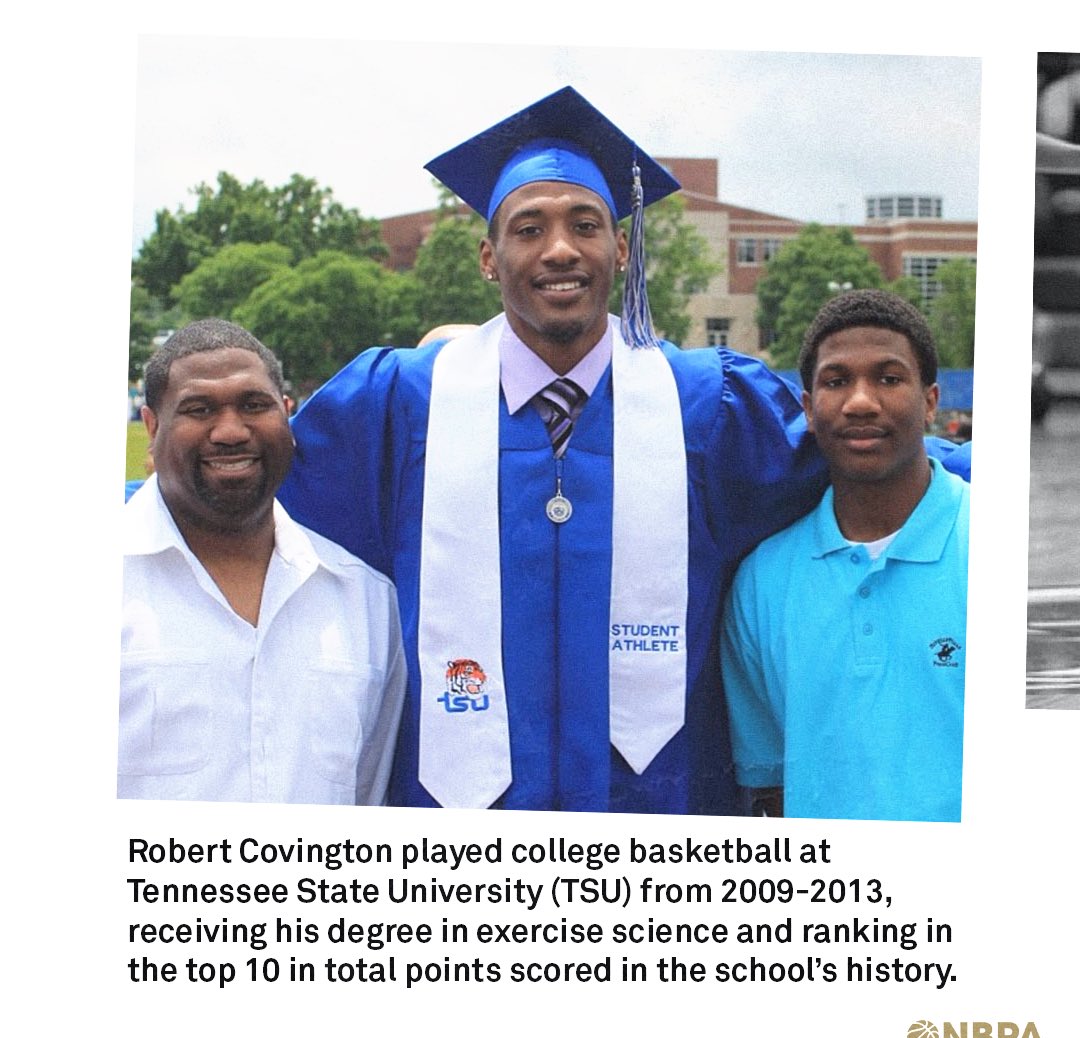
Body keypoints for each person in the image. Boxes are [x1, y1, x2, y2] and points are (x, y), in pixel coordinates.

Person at [279, 87, 965, 814]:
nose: (560, 249)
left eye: (585, 225)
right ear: (488, 257)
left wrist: (983, 471)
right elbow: (255, 486)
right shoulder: (399, 405)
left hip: (664, 820)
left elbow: (856, 451)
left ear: (622, 249)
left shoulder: (709, 407)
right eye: (528, 229)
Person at [120, 319, 406, 803]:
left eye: (254, 405)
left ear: (287, 414)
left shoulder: (367, 603)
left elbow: (369, 795)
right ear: (152, 427)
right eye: (199, 409)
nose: (231, 431)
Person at [721, 290, 968, 822]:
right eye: (836, 382)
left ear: (930, 402)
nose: (860, 402)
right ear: (809, 409)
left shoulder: (988, 540)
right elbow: (771, 788)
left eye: (889, 378)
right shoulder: (762, 581)